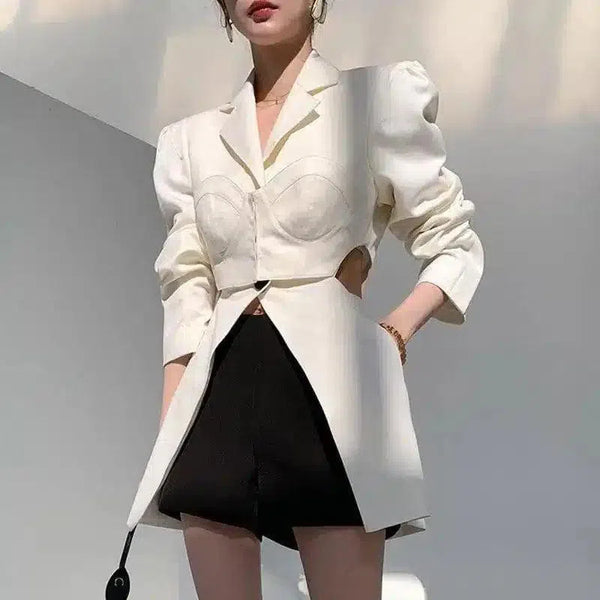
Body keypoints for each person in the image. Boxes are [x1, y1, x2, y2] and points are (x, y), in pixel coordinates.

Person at [105, 1, 485, 599]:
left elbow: (453, 242)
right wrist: (172, 422)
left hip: (331, 401)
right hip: (218, 396)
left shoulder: (376, 100)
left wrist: (394, 332)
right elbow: (186, 283)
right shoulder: (189, 140)